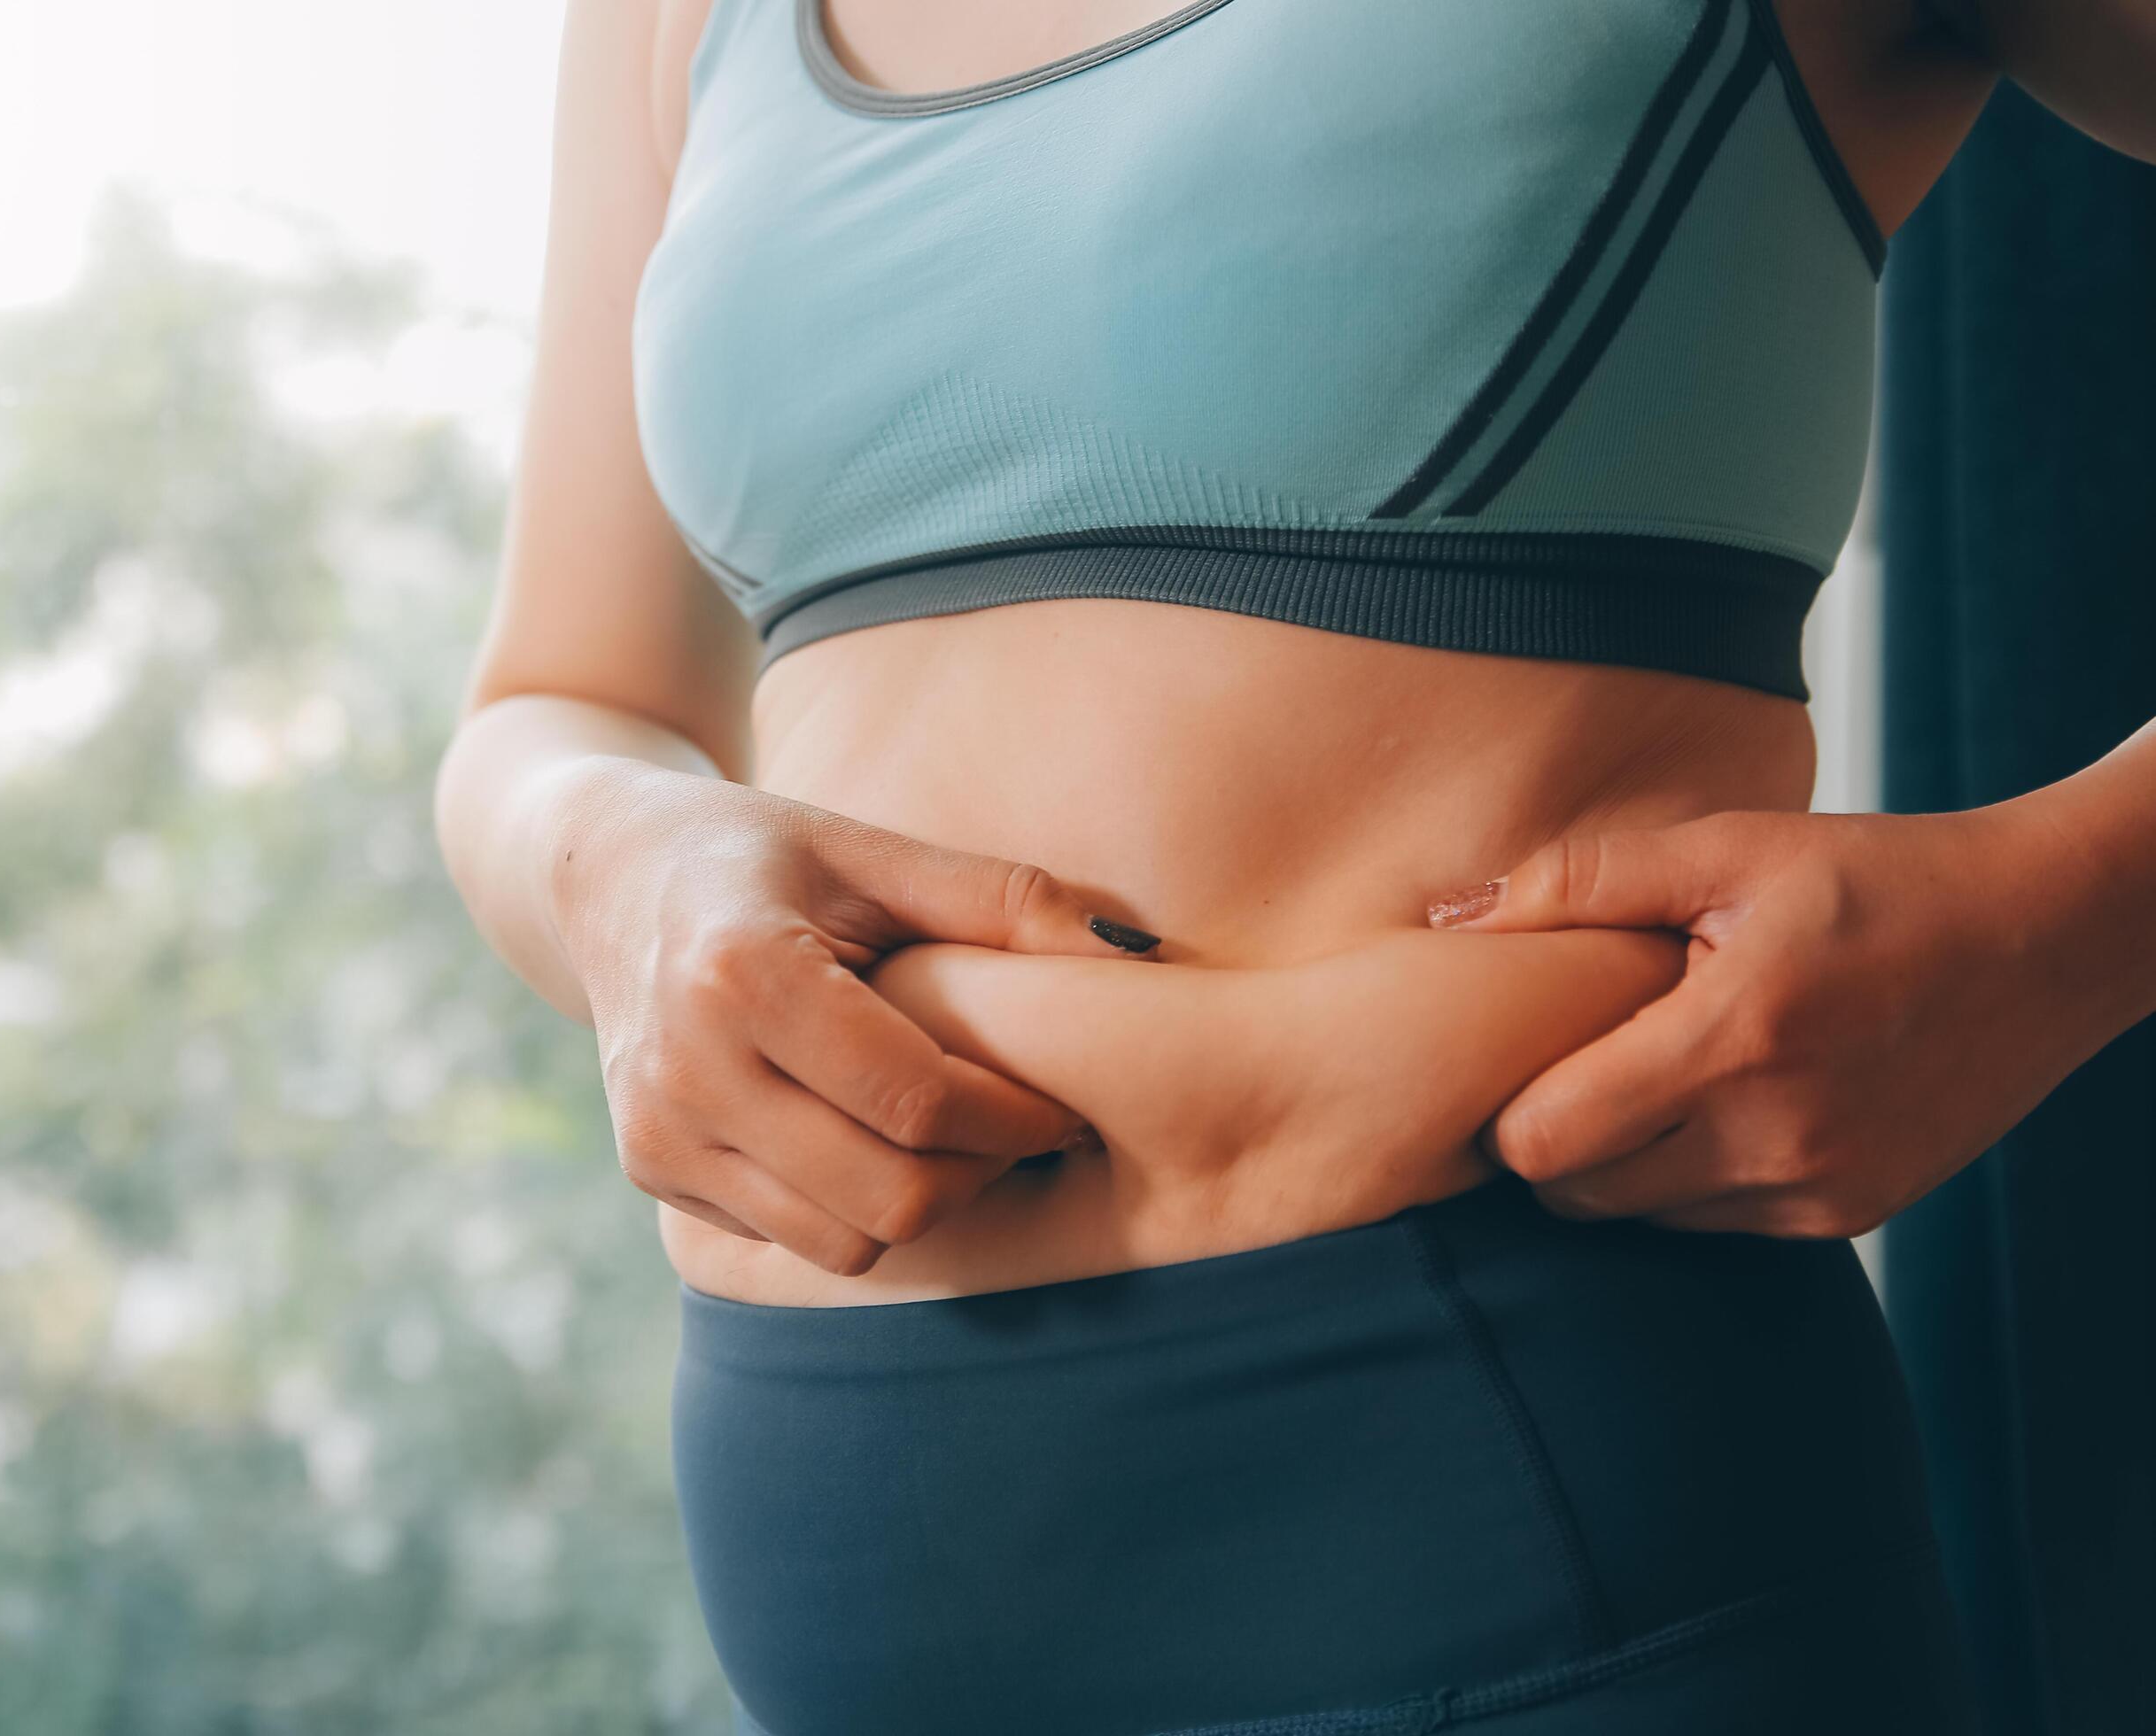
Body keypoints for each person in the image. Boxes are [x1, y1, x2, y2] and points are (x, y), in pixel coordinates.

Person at [433, 0, 2156, 1729]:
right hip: (847, 1564)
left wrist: (2066, 908)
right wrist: (630, 870)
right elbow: (562, 700)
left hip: (1521, 1479)